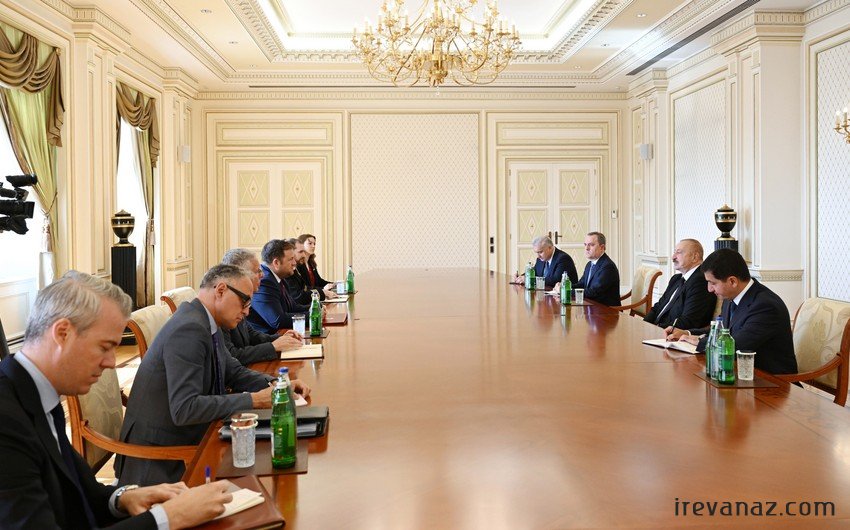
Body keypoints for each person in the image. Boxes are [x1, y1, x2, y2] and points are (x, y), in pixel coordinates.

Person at [0, 271, 233, 529]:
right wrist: (167, 518)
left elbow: (78, 494)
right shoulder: (6, 419)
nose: (112, 362)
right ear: (63, 333)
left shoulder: (35, 392)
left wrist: (122, 498)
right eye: (105, 347)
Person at [116, 264, 311, 486]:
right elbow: (185, 409)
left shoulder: (205, 320)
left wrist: (278, 384)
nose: (247, 312)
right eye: (245, 302)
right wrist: (254, 400)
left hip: (194, 437)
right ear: (220, 290)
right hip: (161, 463)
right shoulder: (188, 329)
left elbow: (233, 371)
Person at [666, 248, 797, 375]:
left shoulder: (765, 306)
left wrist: (700, 342)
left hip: (771, 381)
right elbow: (721, 330)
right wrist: (688, 333)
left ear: (732, 281)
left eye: (713, 283)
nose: (709, 289)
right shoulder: (730, 297)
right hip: (738, 373)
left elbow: (735, 346)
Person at [221, 248, 304, 365]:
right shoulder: (223, 305)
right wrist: (272, 346)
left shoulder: (241, 299)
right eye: (257, 271)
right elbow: (232, 356)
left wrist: (279, 338)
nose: (262, 275)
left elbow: (251, 334)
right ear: (239, 274)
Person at [644, 239, 715, 330]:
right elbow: (658, 307)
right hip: (656, 329)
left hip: (672, 334)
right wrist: (644, 325)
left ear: (695, 257)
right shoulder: (676, 279)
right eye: (674, 252)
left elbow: (689, 321)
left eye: (679, 252)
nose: (673, 257)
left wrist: (656, 329)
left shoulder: (701, 281)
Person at [247, 239, 314, 334]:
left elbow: (293, 307)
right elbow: (277, 321)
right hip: (269, 338)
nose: (295, 263)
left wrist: (316, 308)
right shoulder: (265, 281)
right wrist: (313, 316)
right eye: (291, 259)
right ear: (276, 263)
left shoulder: (279, 277)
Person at [510, 235, 578, 289]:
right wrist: (521, 277)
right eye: (536, 252)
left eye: (540, 252)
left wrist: (529, 279)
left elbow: (554, 280)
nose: (538, 256)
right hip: (546, 295)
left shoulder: (563, 259)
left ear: (550, 248)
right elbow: (534, 272)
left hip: (565, 298)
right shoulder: (540, 259)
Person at [573, 231, 621, 306]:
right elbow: (581, 284)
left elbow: (594, 292)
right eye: (585, 244)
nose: (586, 248)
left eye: (591, 245)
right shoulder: (589, 264)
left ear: (602, 247)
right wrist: (564, 287)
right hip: (592, 306)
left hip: (606, 310)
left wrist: (568, 292)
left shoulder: (608, 266)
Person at [285, 238, 336, 302]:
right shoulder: (287, 271)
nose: (304, 255)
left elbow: (306, 288)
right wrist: (322, 292)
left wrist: (323, 291)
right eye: (301, 252)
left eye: (314, 244)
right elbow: (298, 296)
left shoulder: (297, 268)